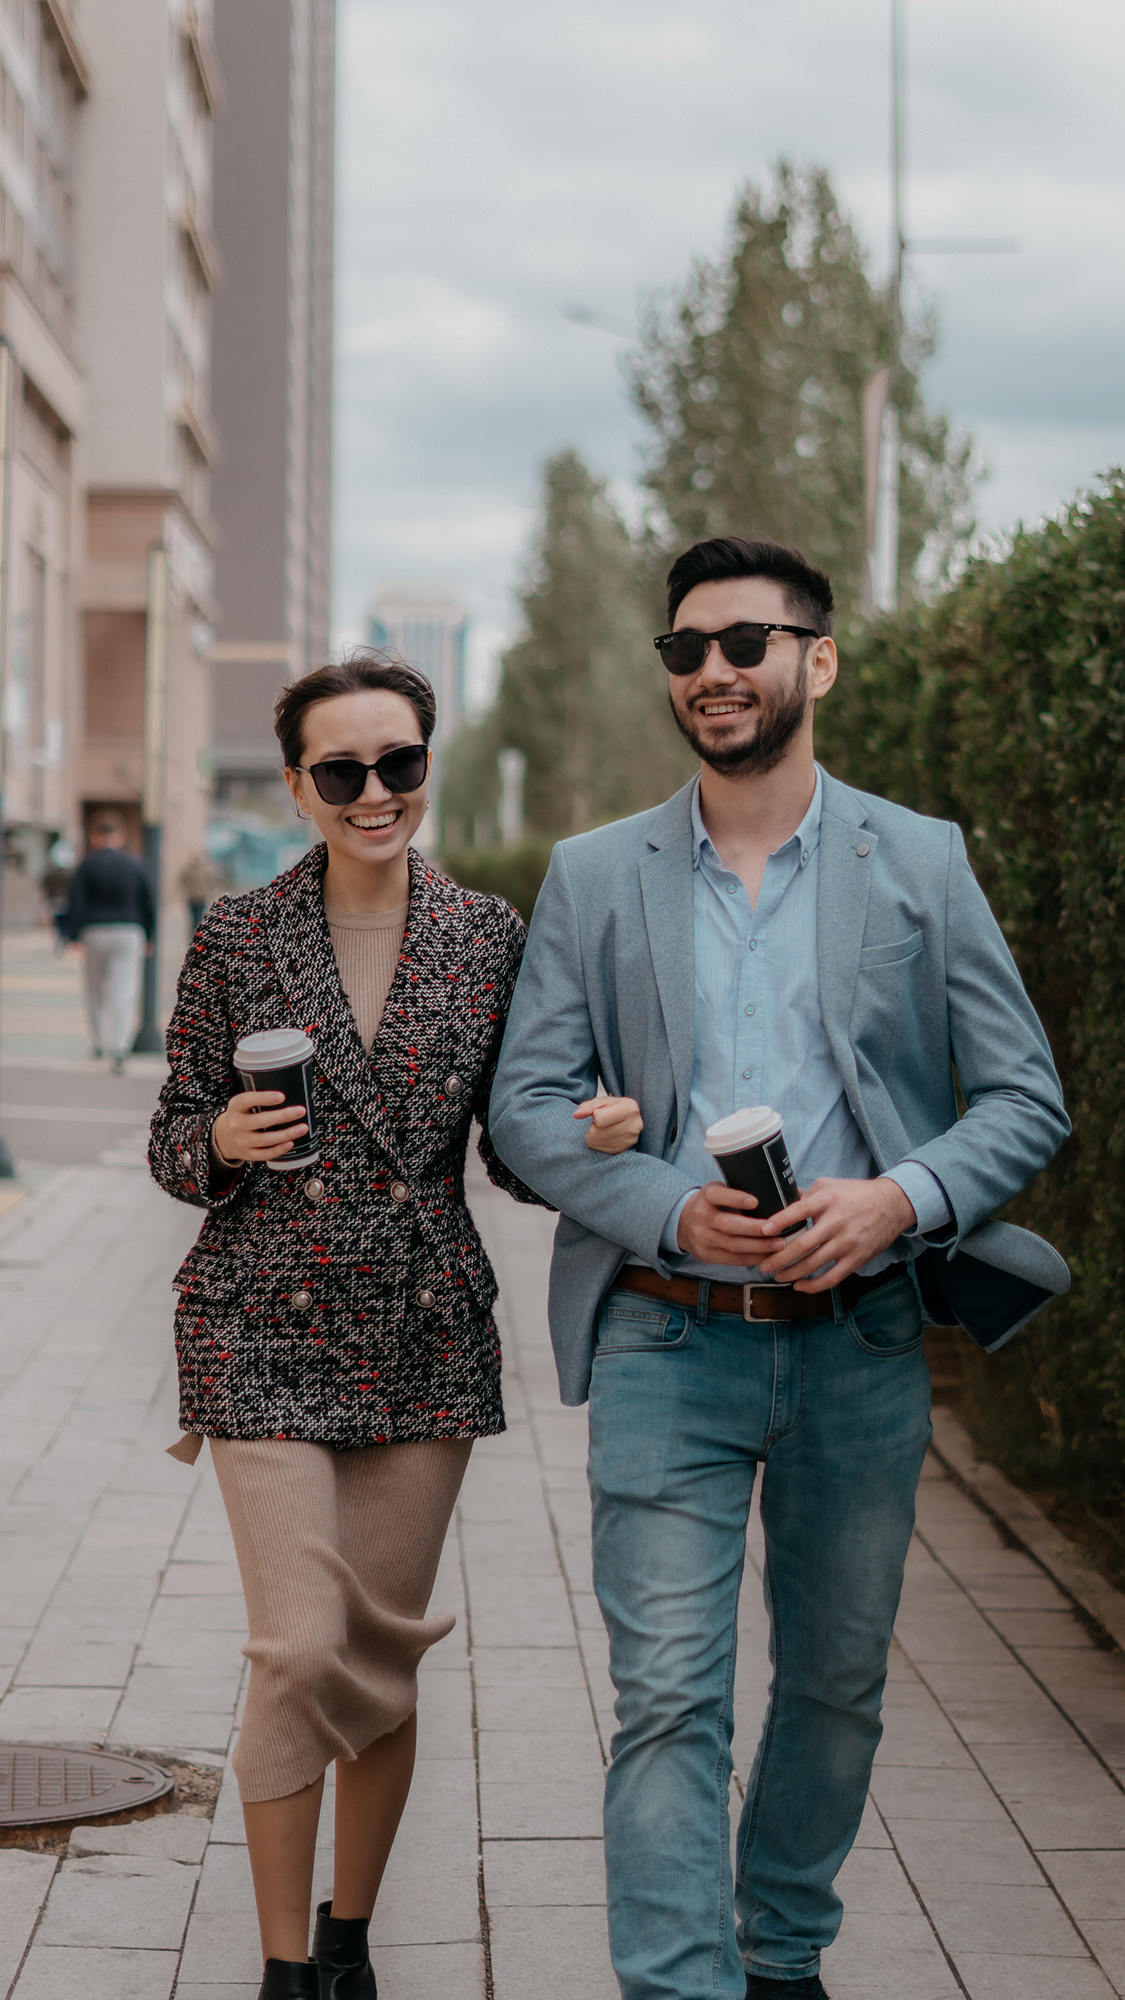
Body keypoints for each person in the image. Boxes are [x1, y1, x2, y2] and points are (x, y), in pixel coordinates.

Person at [488, 537, 1070, 2000]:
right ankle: (683, 1988)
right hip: (666, 1342)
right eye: (685, 649)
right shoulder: (594, 872)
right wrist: (665, 1207)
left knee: (834, 1685)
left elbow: (1024, 1096)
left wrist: (899, 1199)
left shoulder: (917, 859)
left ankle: (781, 1946)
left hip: (862, 1345)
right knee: (669, 1697)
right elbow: (523, 1105)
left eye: (744, 642)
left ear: (817, 660)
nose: (711, 672)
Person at [148, 650, 639, 2000]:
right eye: (344, 771)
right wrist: (225, 1141)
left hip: (423, 1331)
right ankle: (280, 1964)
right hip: (257, 1323)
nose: (377, 793)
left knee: (374, 1654)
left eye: (400, 764)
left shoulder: (488, 937)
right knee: (300, 1647)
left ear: (429, 762)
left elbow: (513, 1154)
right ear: (301, 784)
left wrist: (593, 1131)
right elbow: (170, 1141)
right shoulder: (237, 936)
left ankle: (350, 1942)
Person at [59, 813, 155, 1071]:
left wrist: (71, 934)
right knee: (123, 990)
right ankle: (120, 1047)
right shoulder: (135, 863)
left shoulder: (86, 865)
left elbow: (75, 902)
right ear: (120, 836)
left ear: (94, 836)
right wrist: (149, 934)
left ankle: (99, 1041)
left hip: (94, 931)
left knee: (94, 989)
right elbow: (148, 901)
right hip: (129, 930)